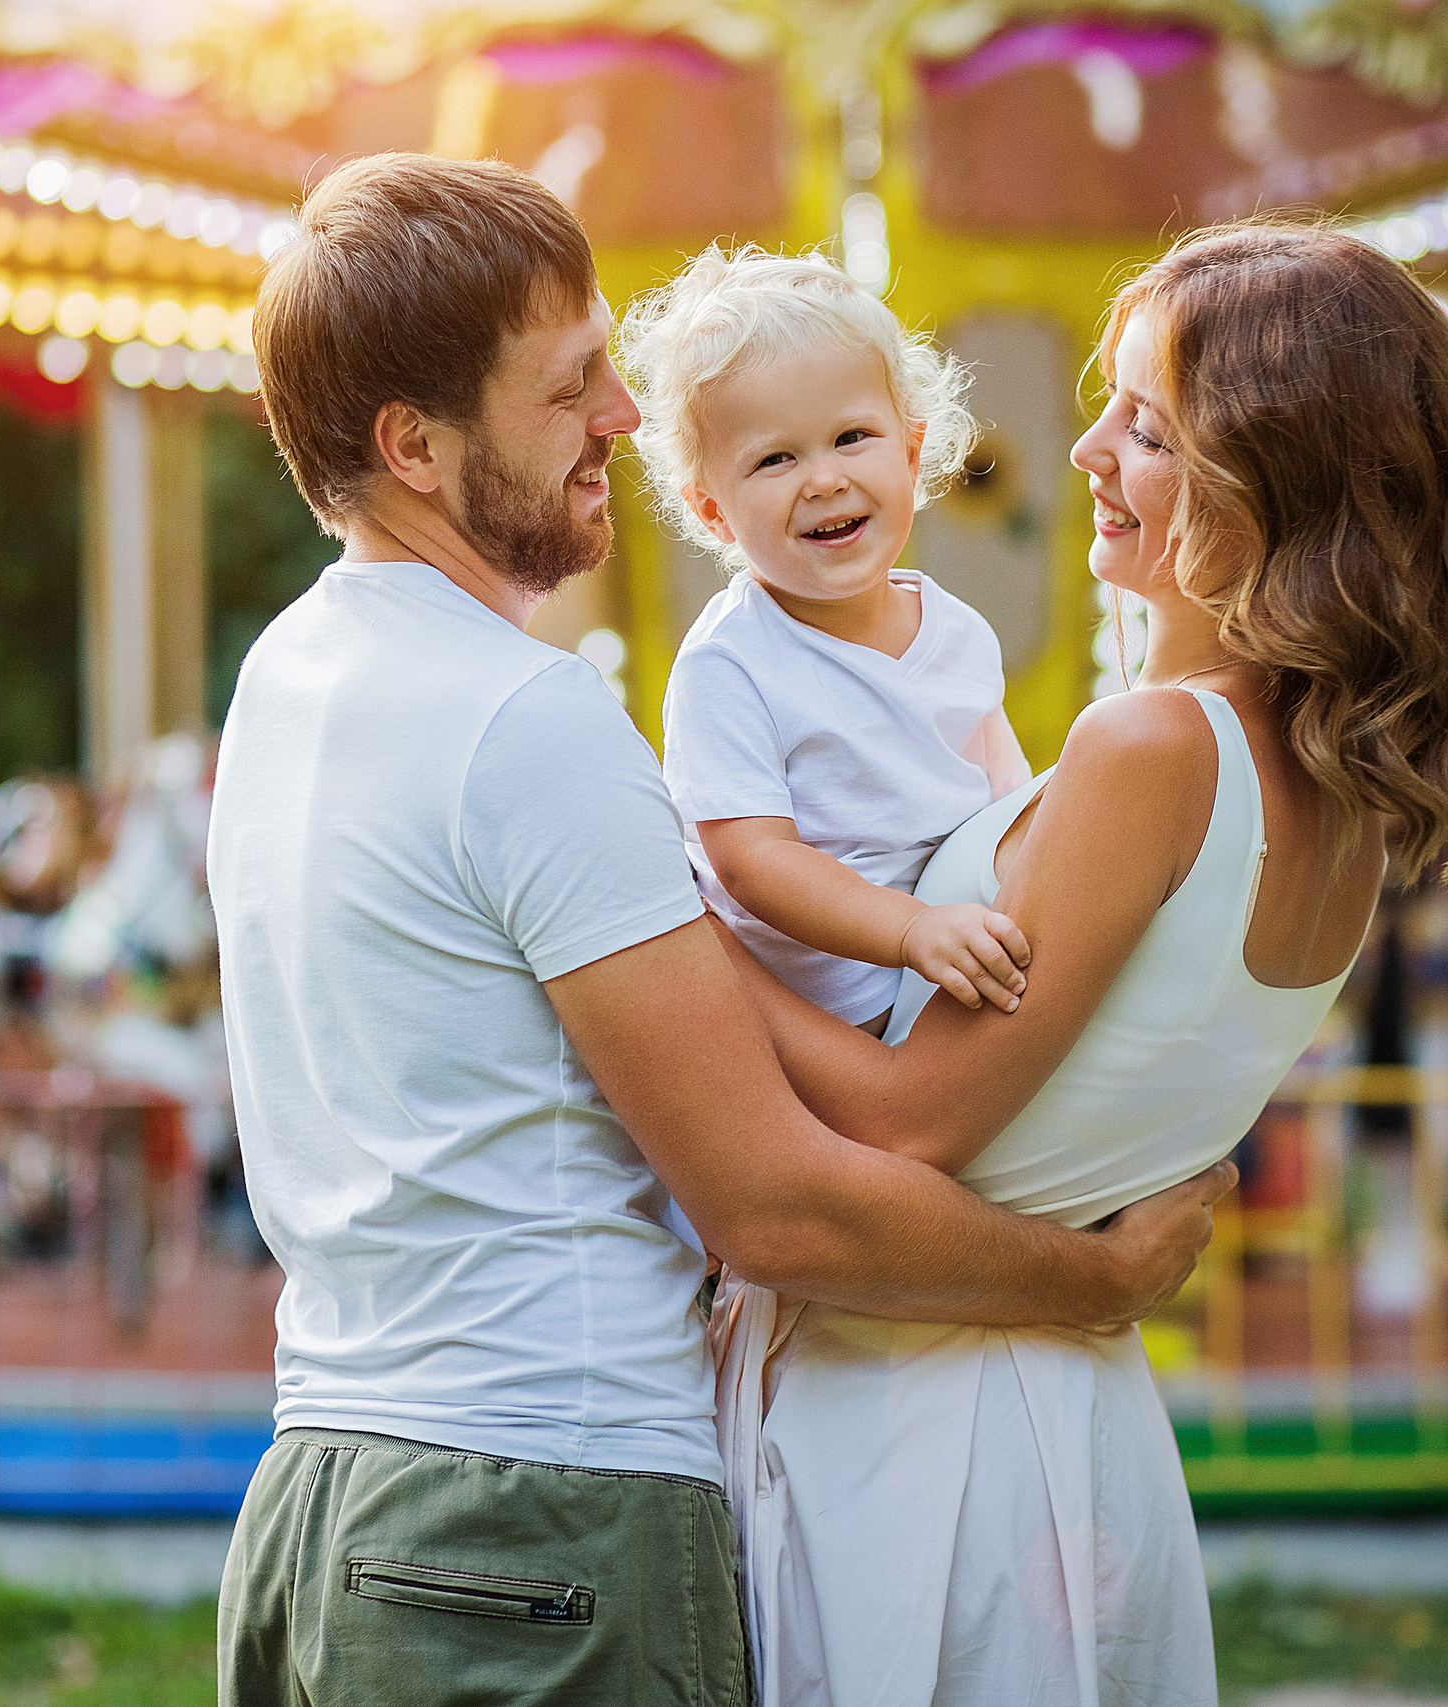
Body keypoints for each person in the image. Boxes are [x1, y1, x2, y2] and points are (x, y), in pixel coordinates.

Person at [206, 153, 1236, 1707]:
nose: (622, 419)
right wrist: (1084, 1283)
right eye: (569, 392)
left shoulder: (289, 675)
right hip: (539, 1512)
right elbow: (775, 1206)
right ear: (416, 446)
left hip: (322, 1494)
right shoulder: (530, 722)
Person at [709, 224, 1448, 1706]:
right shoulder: (1338, 786)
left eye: (1145, 427)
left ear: (1267, 478)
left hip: (925, 1435)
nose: (1086, 446)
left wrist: (681, 935)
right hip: (1065, 1412)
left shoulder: (1156, 748)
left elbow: (911, 1123)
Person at [621, 248, 1035, 1035]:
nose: (823, 479)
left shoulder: (956, 632)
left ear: (911, 454)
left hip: (956, 959)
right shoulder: (731, 664)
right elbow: (753, 861)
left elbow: (1006, 800)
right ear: (713, 512)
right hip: (831, 1014)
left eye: (852, 437)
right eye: (775, 457)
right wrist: (910, 930)